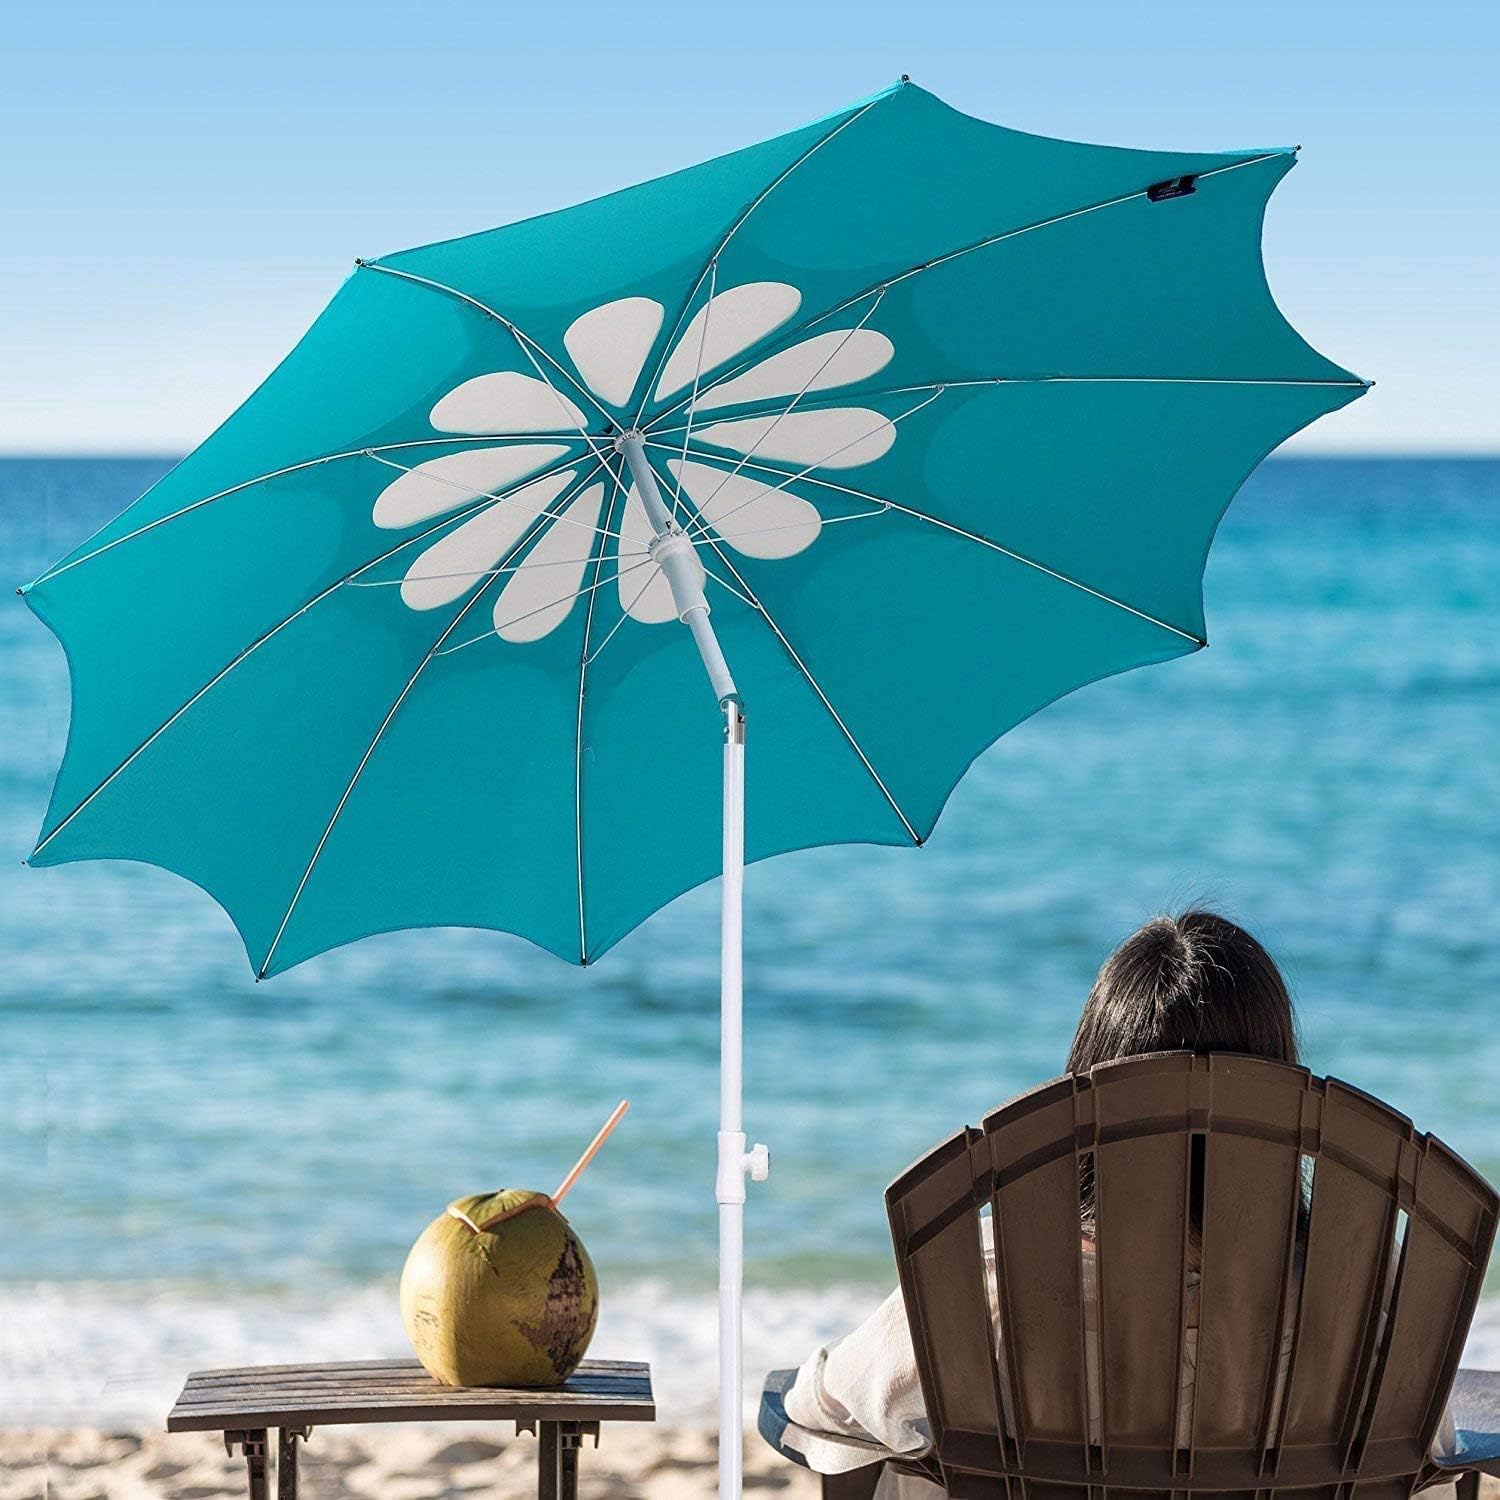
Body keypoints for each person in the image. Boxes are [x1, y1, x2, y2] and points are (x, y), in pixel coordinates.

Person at [779, 910, 1456, 1499]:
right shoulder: (1365, 1289)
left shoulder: (991, 1278)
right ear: (1281, 1093)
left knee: (903, 1453)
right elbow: (1433, 1450)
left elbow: (822, 1409)